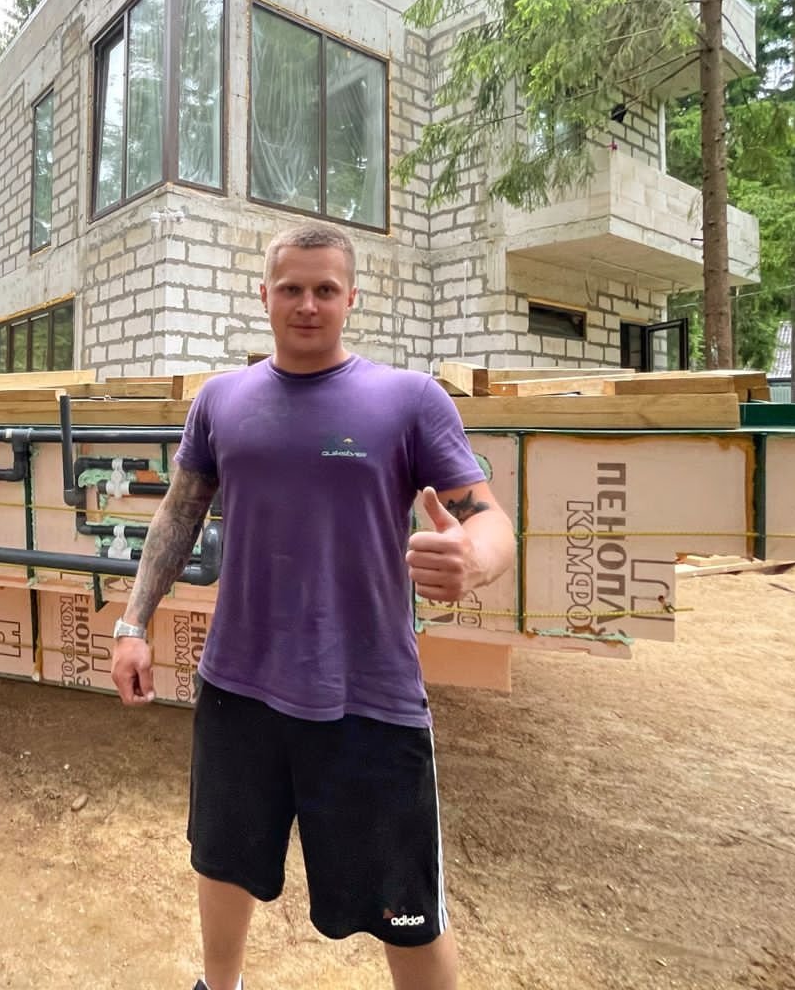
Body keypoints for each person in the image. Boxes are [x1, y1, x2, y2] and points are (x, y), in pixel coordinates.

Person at [111, 221, 515, 990]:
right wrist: (132, 624)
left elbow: (490, 521)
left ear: (351, 297)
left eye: (325, 289)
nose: (307, 304)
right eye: (291, 288)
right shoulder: (221, 400)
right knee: (223, 860)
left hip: (368, 698)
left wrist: (473, 559)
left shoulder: (409, 400)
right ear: (263, 295)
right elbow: (179, 512)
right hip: (238, 686)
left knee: (406, 907)